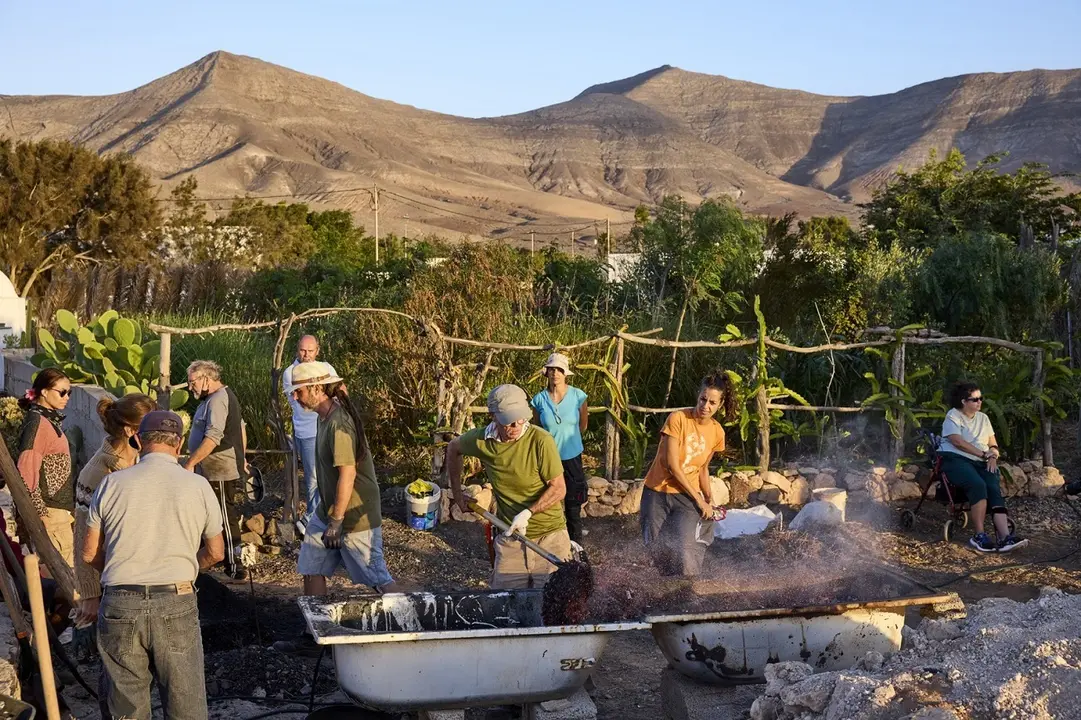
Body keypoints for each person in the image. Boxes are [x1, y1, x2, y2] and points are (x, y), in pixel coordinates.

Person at [83, 410, 225, 720]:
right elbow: (216, 552)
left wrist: (122, 572)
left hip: (120, 601)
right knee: (185, 705)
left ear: (138, 439)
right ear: (180, 443)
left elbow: (89, 553)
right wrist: (187, 565)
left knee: (125, 707)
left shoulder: (111, 485)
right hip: (176, 599)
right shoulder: (198, 486)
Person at [273, 362, 395, 656]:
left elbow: (348, 474)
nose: (296, 399)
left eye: (299, 392)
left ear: (316, 388)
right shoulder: (322, 416)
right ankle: (316, 634)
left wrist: (337, 521)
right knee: (311, 567)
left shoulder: (339, 424)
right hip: (327, 512)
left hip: (351, 514)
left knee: (376, 578)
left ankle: (410, 623)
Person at [450, 384, 570, 589]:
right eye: (509, 420)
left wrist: (528, 512)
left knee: (555, 604)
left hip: (550, 537)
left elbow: (559, 488)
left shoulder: (541, 441)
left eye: (521, 418)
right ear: (493, 416)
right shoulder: (481, 441)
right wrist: (458, 495)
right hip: (510, 537)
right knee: (504, 603)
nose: (516, 424)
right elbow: (453, 448)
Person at [72, 394, 154, 675]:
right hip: (116, 582)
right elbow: (84, 538)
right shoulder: (99, 472)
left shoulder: (140, 461)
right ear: (132, 431)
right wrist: (90, 593)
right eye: (151, 427)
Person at [640, 370, 737, 577]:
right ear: (698, 395)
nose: (706, 406)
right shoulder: (678, 419)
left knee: (686, 548)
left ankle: (686, 589)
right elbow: (673, 466)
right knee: (655, 546)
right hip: (658, 491)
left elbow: (702, 467)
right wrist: (700, 500)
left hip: (686, 496)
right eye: (703, 399)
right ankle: (664, 588)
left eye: (712, 402)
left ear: (719, 405)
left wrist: (708, 498)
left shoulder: (717, 432)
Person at [939, 381, 1027, 553]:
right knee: (977, 484)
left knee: (993, 486)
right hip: (956, 459)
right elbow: (957, 442)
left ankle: (1004, 536)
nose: (980, 402)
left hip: (982, 460)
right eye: (975, 399)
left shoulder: (983, 418)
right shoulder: (953, 415)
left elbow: (993, 444)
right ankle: (979, 535)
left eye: (981, 398)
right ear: (963, 401)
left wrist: (993, 455)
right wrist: (984, 454)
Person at [184, 360, 247, 580]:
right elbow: (240, 428)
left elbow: (213, 437)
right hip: (212, 467)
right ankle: (213, 559)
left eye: (192, 382)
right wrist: (244, 457)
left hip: (220, 467)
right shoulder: (211, 399)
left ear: (206, 379)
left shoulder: (219, 399)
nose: (190, 387)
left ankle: (234, 564)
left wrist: (191, 463)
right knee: (211, 514)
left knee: (223, 514)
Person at [16, 368, 75, 571]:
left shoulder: (47, 420)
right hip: (50, 515)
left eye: (69, 393)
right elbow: (26, 471)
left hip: (57, 512)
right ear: (44, 392)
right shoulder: (38, 424)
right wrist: (41, 515)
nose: (66, 397)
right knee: (61, 577)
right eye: (62, 392)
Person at [282, 335, 339, 531]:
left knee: (332, 471)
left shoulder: (326, 368)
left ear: (317, 350)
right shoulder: (291, 372)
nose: (306, 355)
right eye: (302, 350)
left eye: (310, 350)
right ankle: (312, 518)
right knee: (313, 476)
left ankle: (324, 513)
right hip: (307, 431)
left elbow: (337, 391)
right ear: (297, 350)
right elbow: (298, 405)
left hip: (328, 426)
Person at [531, 352, 589, 542]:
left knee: (573, 504)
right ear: (546, 372)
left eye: (559, 369)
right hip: (549, 457)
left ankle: (576, 545)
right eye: (551, 369)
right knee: (548, 500)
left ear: (565, 373)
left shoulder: (578, 396)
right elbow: (537, 428)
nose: (555, 373)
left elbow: (583, 425)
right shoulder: (539, 400)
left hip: (572, 455)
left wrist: (569, 440)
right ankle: (550, 541)